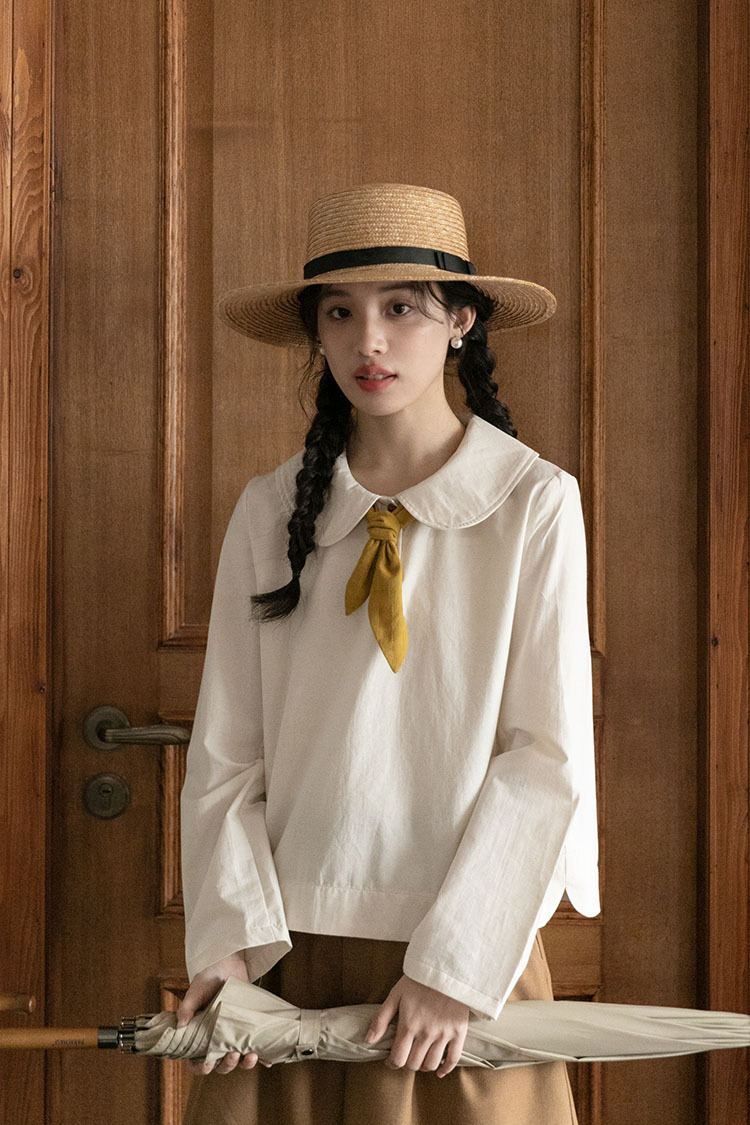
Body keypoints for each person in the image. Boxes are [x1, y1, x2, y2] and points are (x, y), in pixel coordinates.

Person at [177, 182, 600, 1124]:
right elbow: (226, 754)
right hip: (285, 962)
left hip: (460, 965)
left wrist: (454, 967)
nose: (368, 341)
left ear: (461, 321)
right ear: (317, 333)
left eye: (401, 307)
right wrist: (227, 949)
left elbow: (545, 756)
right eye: (340, 313)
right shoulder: (270, 511)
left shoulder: (532, 504)